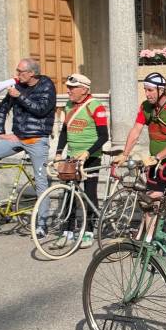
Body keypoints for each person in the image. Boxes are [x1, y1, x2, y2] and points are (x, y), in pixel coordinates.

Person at [0, 58, 56, 236]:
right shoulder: (17, 86)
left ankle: (42, 224)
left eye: (20, 71)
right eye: (17, 71)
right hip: (18, 138)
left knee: (41, 183)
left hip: (37, 140)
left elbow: (42, 109)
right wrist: (0, 131)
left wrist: (19, 96)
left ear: (32, 73)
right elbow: (3, 110)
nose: (16, 75)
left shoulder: (47, 85)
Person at [51, 73, 108, 249]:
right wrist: (59, 153)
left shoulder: (96, 107)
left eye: (72, 88)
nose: (68, 91)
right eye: (68, 87)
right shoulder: (68, 105)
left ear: (83, 90)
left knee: (89, 193)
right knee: (68, 194)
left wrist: (88, 153)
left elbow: (104, 136)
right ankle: (67, 232)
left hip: (91, 157)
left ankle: (89, 231)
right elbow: (65, 132)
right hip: (72, 157)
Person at [118, 72, 166, 195]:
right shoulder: (146, 106)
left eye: (150, 90)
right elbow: (136, 130)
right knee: (149, 203)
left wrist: (157, 157)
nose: (146, 94)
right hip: (155, 162)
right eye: (145, 90)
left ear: (161, 90)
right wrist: (125, 154)